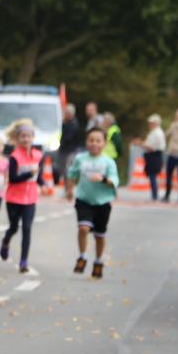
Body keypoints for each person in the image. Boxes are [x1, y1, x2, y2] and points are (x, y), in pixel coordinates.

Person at [66, 128, 119, 279]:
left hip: (103, 202)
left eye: (98, 140)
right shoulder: (80, 158)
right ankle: (82, 256)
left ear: (104, 143)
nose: (94, 143)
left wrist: (103, 179)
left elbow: (114, 181)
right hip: (84, 199)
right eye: (91, 140)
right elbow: (72, 174)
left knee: (99, 235)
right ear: (86, 142)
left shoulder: (108, 162)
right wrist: (69, 189)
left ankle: (98, 261)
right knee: (83, 228)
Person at [0, 119, 44, 273]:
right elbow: (12, 179)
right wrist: (28, 174)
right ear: (17, 138)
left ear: (33, 137)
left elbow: (39, 176)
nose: (26, 139)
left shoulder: (38, 155)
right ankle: (6, 241)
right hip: (14, 198)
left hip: (30, 199)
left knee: (27, 228)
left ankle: (23, 261)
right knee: (14, 227)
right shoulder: (14, 157)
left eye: (28, 136)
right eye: (23, 136)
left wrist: (44, 184)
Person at [140, 113, 166, 200]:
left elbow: (152, 147)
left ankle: (155, 195)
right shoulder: (154, 132)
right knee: (152, 175)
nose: (149, 125)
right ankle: (154, 194)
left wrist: (142, 144)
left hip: (155, 155)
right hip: (153, 155)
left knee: (153, 175)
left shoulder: (157, 133)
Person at [56, 103, 83, 185]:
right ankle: (67, 185)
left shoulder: (73, 124)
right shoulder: (67, 123)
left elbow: (67, 138)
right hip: (66, 150)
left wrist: (61, 146)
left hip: (70, 151)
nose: (64, 114)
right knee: (65, 170)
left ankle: (69, 186)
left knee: (68, 170)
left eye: (66, 113)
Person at [101, 112, 123, 184]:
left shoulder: (114, 130)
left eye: (104, 120)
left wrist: (119, 153)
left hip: (111, 156)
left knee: (110, 174)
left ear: (108, 121)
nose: (102, 122)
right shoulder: (107, 129)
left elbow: (118, 144)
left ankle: (112, 186)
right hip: (105, 155)